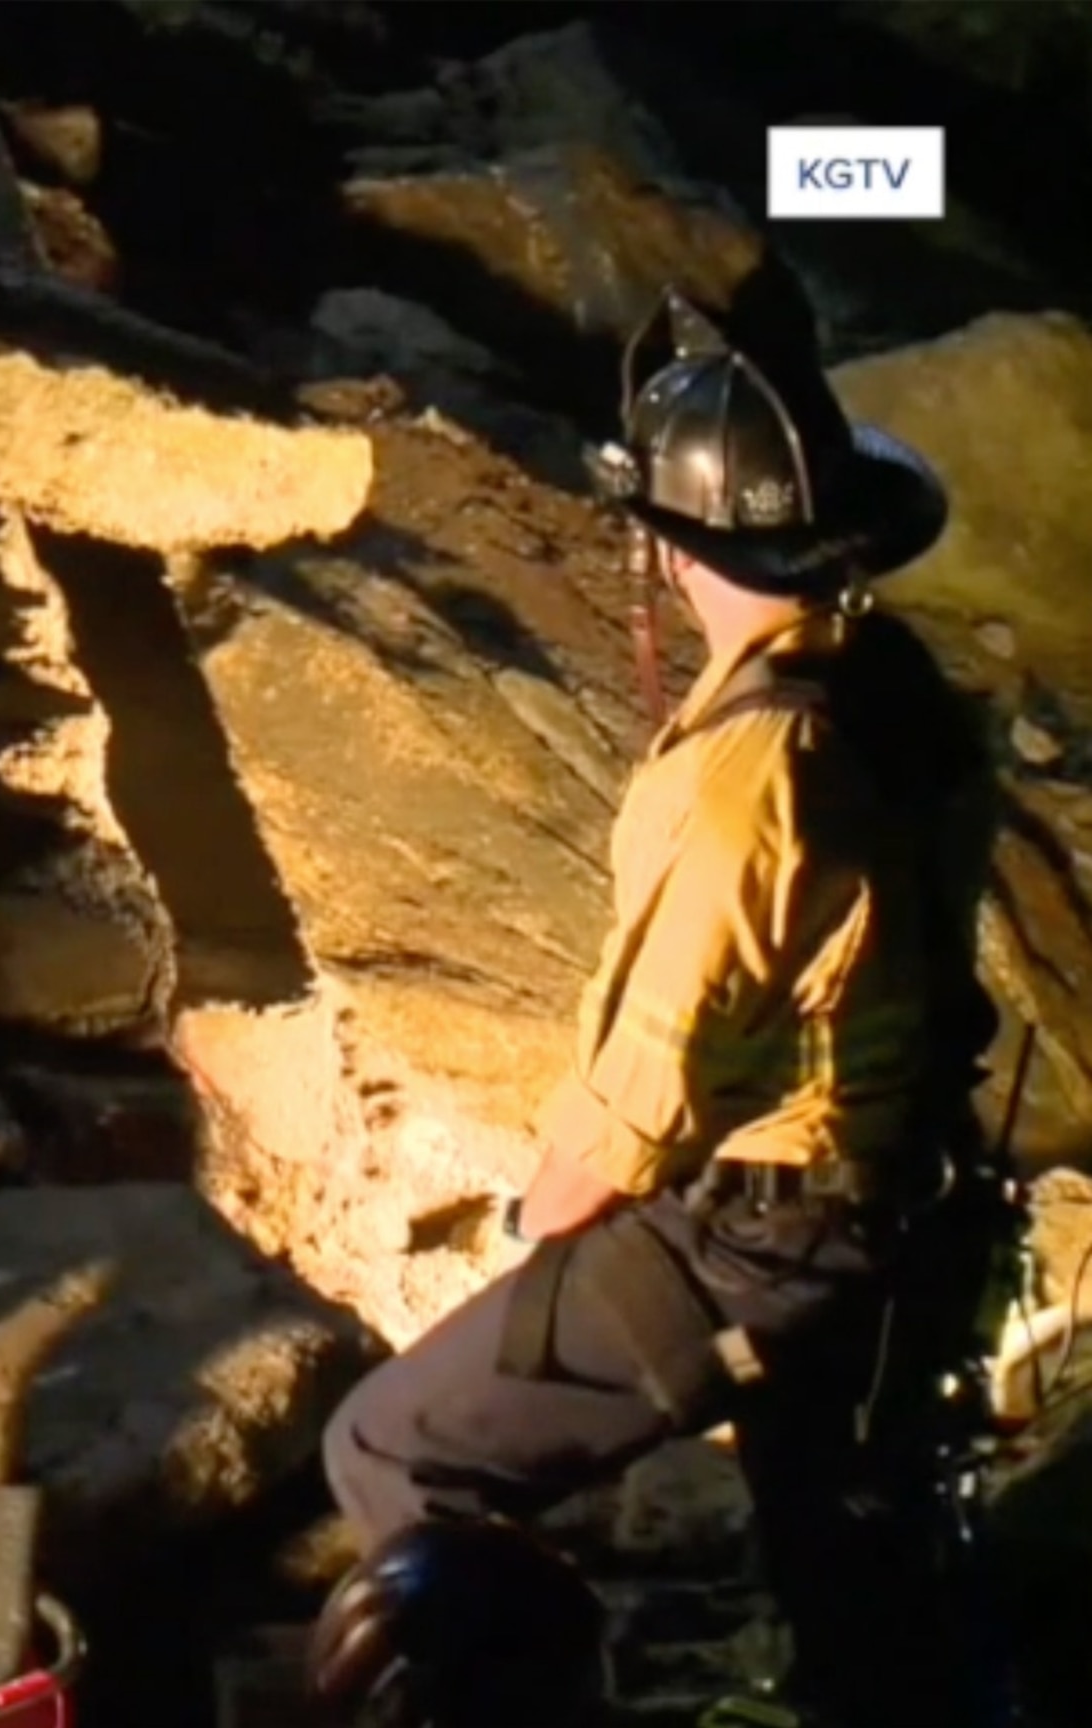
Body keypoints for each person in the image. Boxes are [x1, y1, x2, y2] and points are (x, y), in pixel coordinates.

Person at [307, 287, 1003, 1728]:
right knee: (846, 1568)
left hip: (772, 1233)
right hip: (899, 1203)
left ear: (671, 547)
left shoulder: (748, 774)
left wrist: (531, 1235)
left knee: (400, 1446)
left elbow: (646, 1094)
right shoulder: (889, 685)